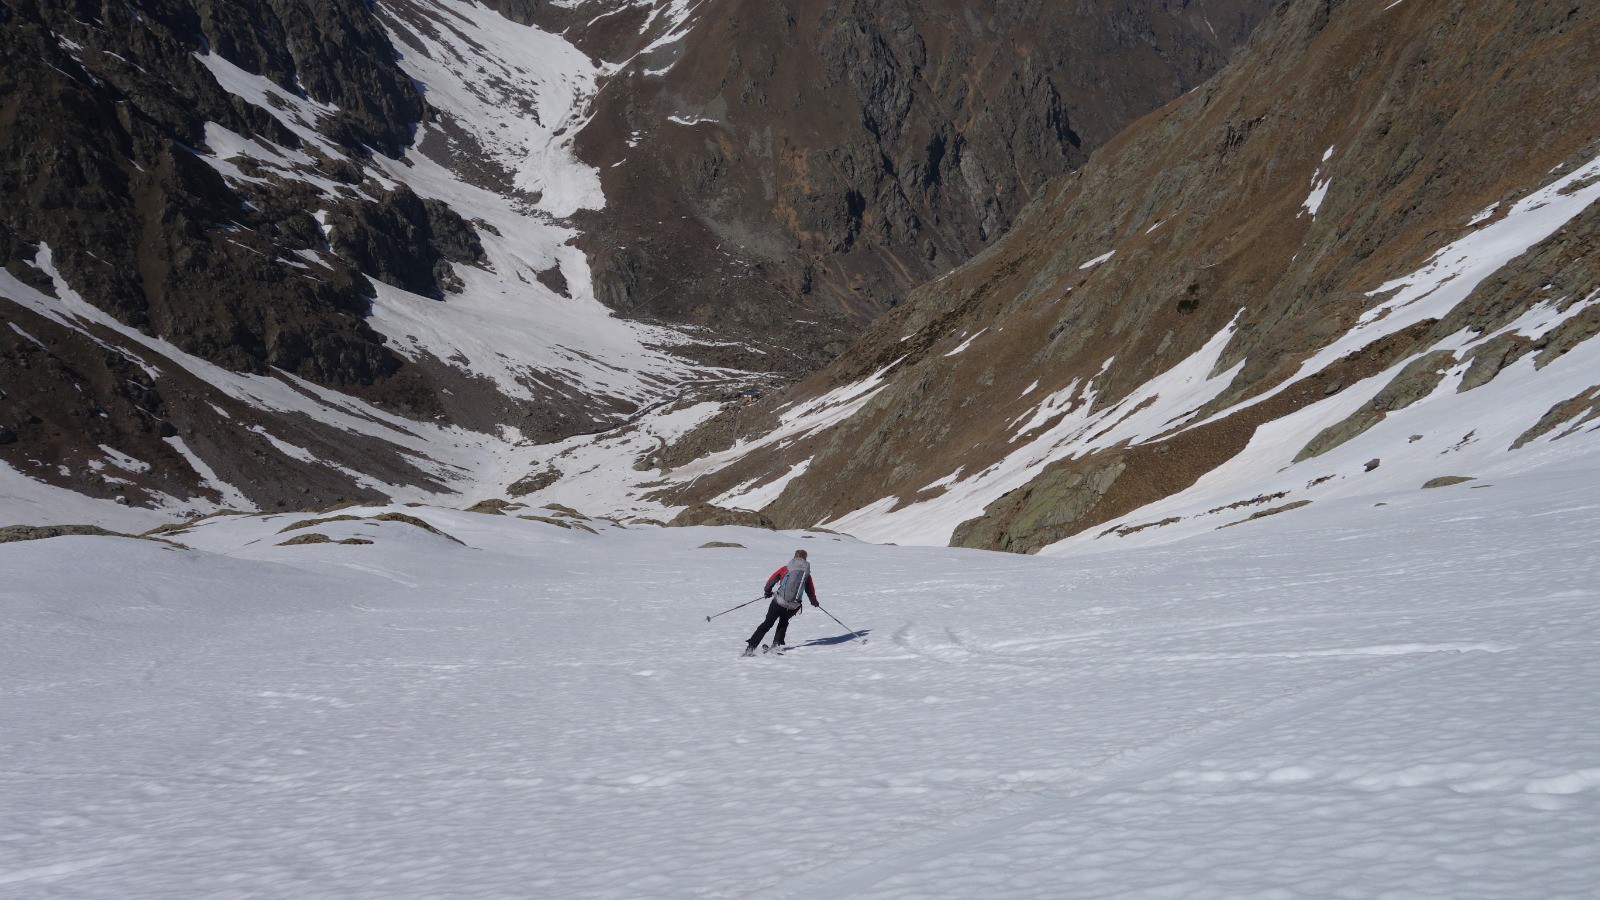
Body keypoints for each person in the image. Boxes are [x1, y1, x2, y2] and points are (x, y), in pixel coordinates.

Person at [743, 549, 819, 655]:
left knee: (767, 624)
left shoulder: (786, 569)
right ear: (805, 558)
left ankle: (751, 647)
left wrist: (767, 592)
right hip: (793, 606)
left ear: (794, 557)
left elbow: (771, 580)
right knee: (783, 622)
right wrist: (814, 601)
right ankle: (776, 646)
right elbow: (810, 590)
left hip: (778, 602)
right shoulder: (806, 574)